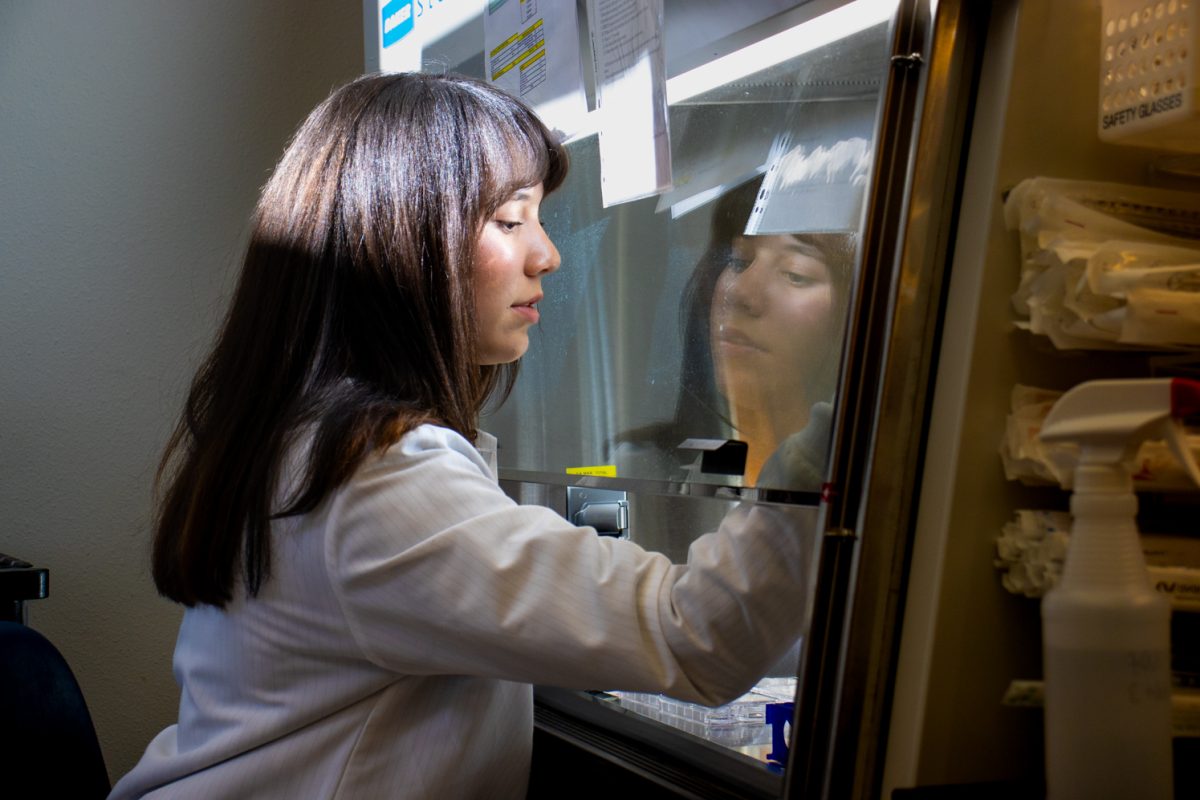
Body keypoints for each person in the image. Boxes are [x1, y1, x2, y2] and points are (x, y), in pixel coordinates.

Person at [109, 73, 816, 799]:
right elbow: (694, 638)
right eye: (511, 221)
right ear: (402, 239)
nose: (547, 254)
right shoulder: (378, 478)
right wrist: (838, 434)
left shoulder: (305, 438)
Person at [621, 179, 855, 491]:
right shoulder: (638, 467)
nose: (741, 291)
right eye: (738, 261)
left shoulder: (865, 488)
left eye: (796, 274)